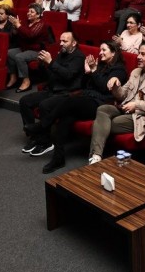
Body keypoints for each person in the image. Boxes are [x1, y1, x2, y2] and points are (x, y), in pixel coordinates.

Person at [34, 40, 129, 174]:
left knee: (70, 102)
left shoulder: (119, 70)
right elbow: (84, 86)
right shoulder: (100, 66)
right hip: (86, 99)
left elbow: (105, 88)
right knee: (65, 118)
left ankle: (43, 125)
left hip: (100, 104)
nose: (100, 53)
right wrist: (87, 72)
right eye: (100, 50)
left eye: (104, 50)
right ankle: (58, 158)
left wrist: (94, 71)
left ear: (113, 53)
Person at [87, 42, 145, 164]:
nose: (138, 57)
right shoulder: (136, 72)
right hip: (124, 108)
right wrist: (116, 86)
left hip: (139, 116)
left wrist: (137, 105)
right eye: (138, 53)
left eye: (143, 54)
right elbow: (123, 94)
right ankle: (97, 156)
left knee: (105, 123)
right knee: (103, 109)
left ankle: (95, 156)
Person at [19, 31, 85, 153]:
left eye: (65, 41)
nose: (61, 43)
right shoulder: (62, 54)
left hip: (67, 93)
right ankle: (35, 136)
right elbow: (52, 75)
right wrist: (44, 65)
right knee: (24, 101)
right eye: (60, 41)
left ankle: (45, 142)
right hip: (53, 89)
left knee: (45, 105)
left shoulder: (79, 57)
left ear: (74, 43)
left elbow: (68, 76)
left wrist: (51, 63)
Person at [5, 5, 52, 91]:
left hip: (37, 50)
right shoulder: (26, 22)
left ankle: (26, 81)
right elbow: (17, 35)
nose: (28, 13)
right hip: (25, 48)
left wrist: (18, 25)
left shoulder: (42, 24)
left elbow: (30, 35)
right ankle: (13, 77)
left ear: (38, 15)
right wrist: (15, 27)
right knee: (9, 53)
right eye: (28, 11)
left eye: (32, 12)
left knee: (19, 57)